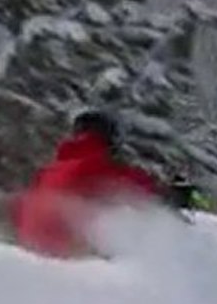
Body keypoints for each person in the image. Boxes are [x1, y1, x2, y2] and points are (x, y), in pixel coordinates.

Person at [11, 109, 193, 258]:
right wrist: (171, 194)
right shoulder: (96, 165)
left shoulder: (47, 172)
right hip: (68, 260)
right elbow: (140, 188)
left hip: (32, 254)